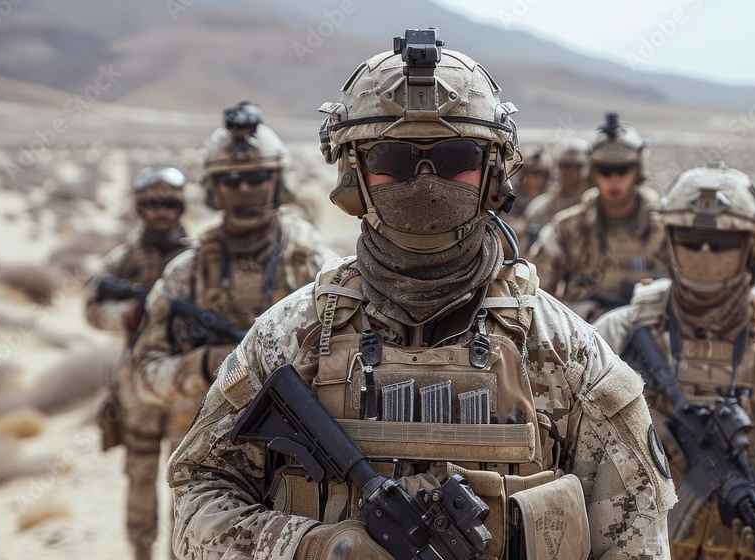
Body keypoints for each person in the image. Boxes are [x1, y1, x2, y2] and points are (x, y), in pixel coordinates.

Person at [166, 29, 675, 560]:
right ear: (352, 172)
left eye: (457, 157)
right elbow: (196, 501)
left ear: (494, 171)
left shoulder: (567, 354)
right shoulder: (291, 338)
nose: (427, 180)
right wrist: (316, 545)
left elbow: (635, 540)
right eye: (395, 159)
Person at [594, 162, 755, 559]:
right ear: (669, 240)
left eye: (722, 242)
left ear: (753, 247)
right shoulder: (619, 333)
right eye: (692, 238)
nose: (704, 252)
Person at [132, 101, 337, 433]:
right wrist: (210, 363)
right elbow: (145, 380)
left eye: (255, 178)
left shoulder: (316, 266)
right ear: (214, 188)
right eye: (232, 179)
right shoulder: (185, 273)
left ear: (276, 181)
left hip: (299, 448)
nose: (244, 189)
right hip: (206, 455)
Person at [84, 166, 191, 560]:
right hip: (137, 387)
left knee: (187, 477)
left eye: (167, 203)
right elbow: (92, 308)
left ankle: (183, 550)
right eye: (150, 204)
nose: (159, 212)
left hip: (185, 384)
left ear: (179, 206)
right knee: (141, 472)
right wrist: (128, 314)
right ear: (139, 208)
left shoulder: (198, 256)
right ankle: (140, 549)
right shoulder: (124, 258)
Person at [530, 112, 665, 322]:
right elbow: (535, 297)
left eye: (622, 170)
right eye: (605, 170)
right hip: (583, 337)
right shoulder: (567, 227)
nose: (614, 179)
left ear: (637, 171)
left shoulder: (664, 228)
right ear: (594, 172)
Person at [520, 136, 592, 250]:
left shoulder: (595, 205)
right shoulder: (539, 208)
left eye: (578, 166)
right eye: (567, 165)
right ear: (558, 166)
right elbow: (528, 250)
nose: (572, 172)